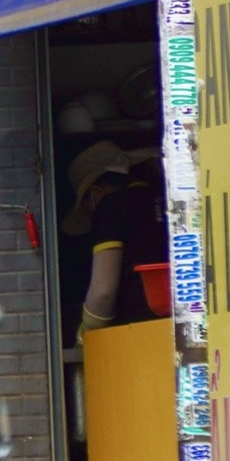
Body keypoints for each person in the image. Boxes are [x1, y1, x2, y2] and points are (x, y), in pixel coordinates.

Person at [66, 141, 167, 334]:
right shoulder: (165, 195)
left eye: (85, 206)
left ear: (95, 192)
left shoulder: (110, 207)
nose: (88, 215)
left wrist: (87, 330)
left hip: (141, 328)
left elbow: (103, 292)